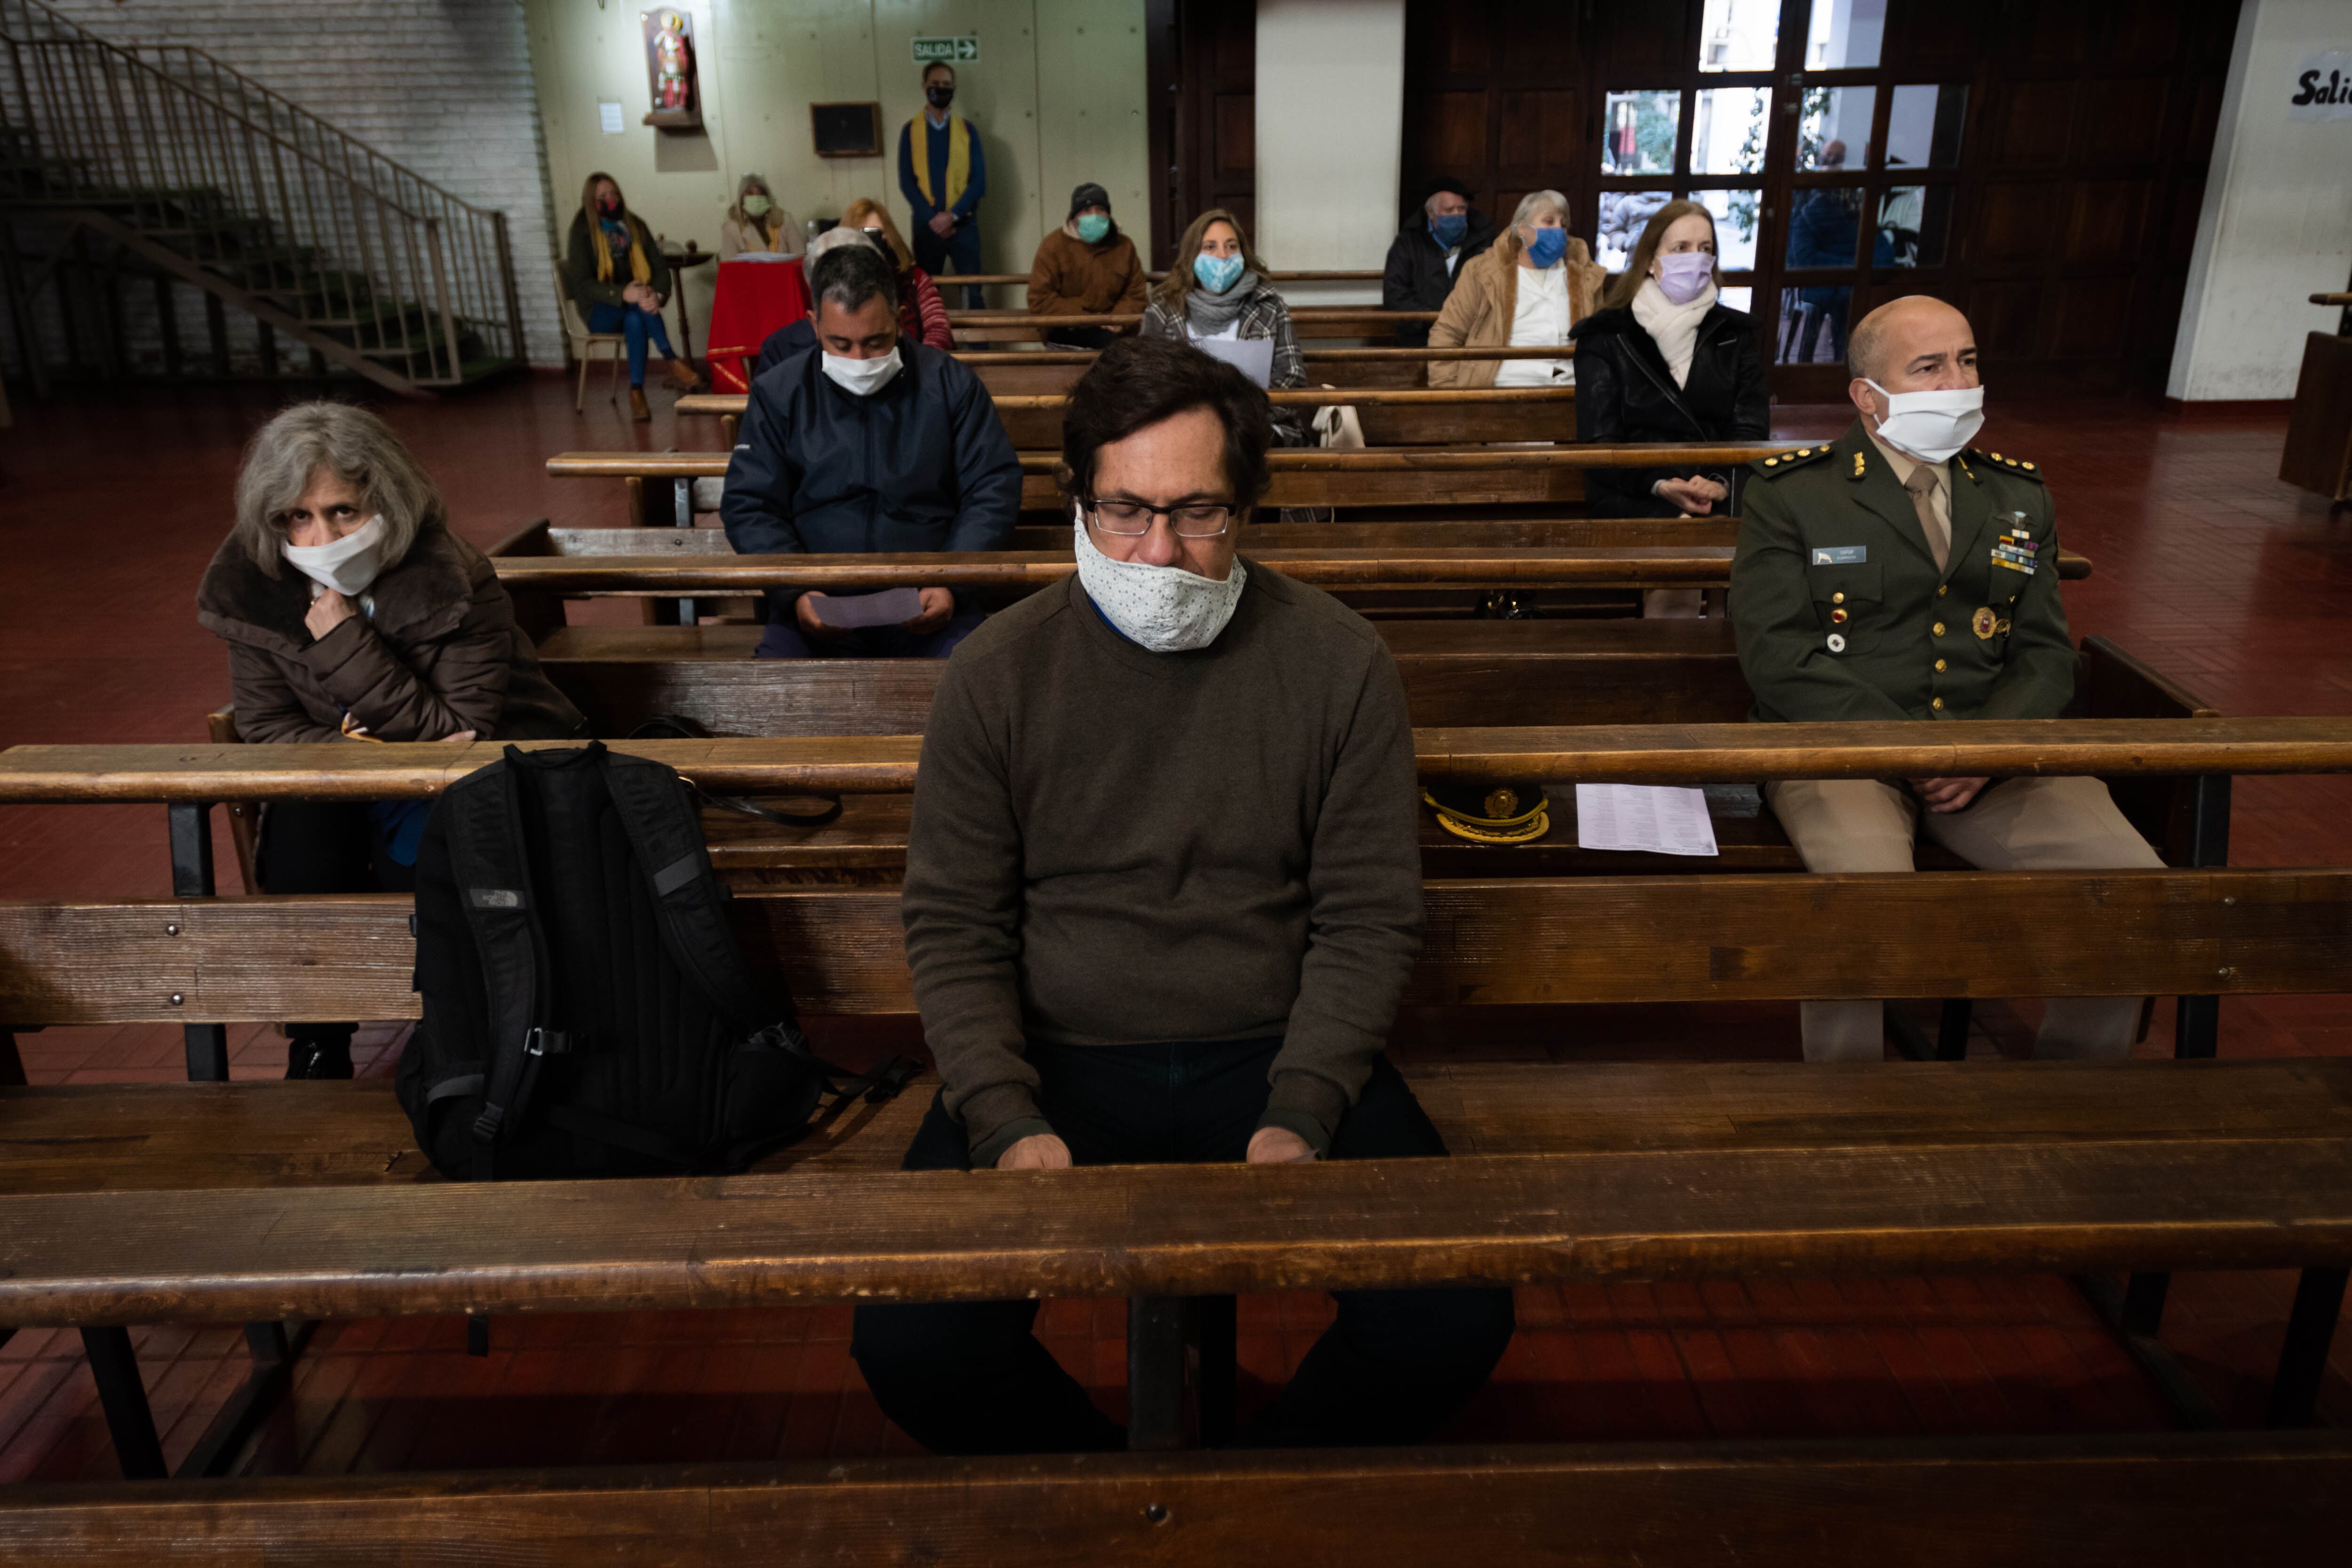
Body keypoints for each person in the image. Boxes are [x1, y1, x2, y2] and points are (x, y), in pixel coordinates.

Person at [849, 336, 1515, 1453]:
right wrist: (1005, 1116)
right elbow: (956, 922)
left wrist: (1305, 1106)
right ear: (1075, 500)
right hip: (1058, 1050)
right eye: (1124, 511)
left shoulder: (1336, 661)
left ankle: (1250, 1492)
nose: (1158, 551)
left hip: (1269, 1043)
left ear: (1247, 508)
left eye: (1196, 512)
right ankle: (1110, 1495)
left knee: (1454, 1315)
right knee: (914, 1347)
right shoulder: (999, 671)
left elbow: (1366, 913)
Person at [1730, 295, 2164, 1062]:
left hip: (1991, 756)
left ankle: (2077, 1098)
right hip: (1846, 753)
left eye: (1966, 361)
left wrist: (1983, 746)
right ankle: (1847, 1107)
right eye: (1927, 367)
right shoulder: (1794, 493)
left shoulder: (2017, 497)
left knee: (2131, 888)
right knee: (1864, 896)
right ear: (1868, 395)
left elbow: (2043, 651)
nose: (1955, 383)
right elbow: (1778, 653)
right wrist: (1910, 747)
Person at [195, 402, 586, 1078]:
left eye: (343, 511)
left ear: (387, 501)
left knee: (433, 855)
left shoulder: (452, 577)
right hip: (352, 777)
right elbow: (266, 727)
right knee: (299, 853)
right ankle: (318, 1044)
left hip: (480, 772)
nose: (320, 537)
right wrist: (362, 759)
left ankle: (457, 1033)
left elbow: (456, 730)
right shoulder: (251, 588)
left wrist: (344, 641)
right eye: (298, 516)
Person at [719, 243, 1021, 661]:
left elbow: (993, 486)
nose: (859, 360)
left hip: (932, 596)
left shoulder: (950, 384)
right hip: (816, 600)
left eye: (876, 341)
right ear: (814, 325)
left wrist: (953, 580)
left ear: (899, 321)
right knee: (775, 692)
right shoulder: (779, 392)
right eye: (840, 344)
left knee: (974, 682)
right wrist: (796, 591)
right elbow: (749, 502)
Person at [1571, 199, 1768, 519]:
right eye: (1680, 248)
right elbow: (1599, 442)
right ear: (1651, 260)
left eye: (1705, 248)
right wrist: (1659, 484)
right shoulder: (1606, 335)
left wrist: (1720, 483)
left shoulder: (1735, 334)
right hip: (1635, 498)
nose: (1696, 258)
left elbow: (1751, 429)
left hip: (1717, 497)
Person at [1139, 207, 1307, 445]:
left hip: (1259, 426)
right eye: (1210, 247)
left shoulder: (1269, 305)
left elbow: (1293, 377)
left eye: (1231, 246)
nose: (1223, 256)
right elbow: (1147, 380)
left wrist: (1245, 417)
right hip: (1183, 430)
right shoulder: (1163, 311)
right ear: (1192, 255)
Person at [1426, 189, 1604, 390]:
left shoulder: (1585, 276)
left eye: (1563, 225)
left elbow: (1601, 340)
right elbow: (1448, 332)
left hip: (1572, 386)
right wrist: (1447, 393)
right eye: (1549, 222)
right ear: (1522, 229)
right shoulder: (1484, 271)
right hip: (1506, 384)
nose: (1558, 230)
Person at [564, 171, 702, 422]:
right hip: (599, 309)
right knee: (637, 307)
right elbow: (581, 283)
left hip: (634, 305)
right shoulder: (582, 230)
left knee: (635, 319)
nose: (611, 200)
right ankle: (671, 358)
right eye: (603, 196)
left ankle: (637, 392)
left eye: (615, 194)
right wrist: (621, 293)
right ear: (590, 200)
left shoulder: (634, 225)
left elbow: (659, 268)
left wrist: (656, 296)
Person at [898, 62, 985, 309]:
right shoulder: (910, 131)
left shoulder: (968, 131)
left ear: (954, 89)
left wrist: (952, 216)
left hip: (964, 227)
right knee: (926, 297)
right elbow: (907, 182)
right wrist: (934, 220)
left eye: (946, 85)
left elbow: (979, 182)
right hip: (926, 228)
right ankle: (929, 347)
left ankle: (979, 349)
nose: (941, 89)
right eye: (935, 84)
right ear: (924, 87)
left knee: (973, 294)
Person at [1025, 181, 1147, 350]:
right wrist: (1089, 319)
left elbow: (1135, 294)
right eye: (1087, 211)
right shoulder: (1053, 246)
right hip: (1066, 331)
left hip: (1116, 333)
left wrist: (1118, 320)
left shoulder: (1124, 247)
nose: (1094, 216)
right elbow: (1041, 300)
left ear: (1109, 214)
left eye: (1101, 210)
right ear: (1074, 216)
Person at [749, 226, 881, 379]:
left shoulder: (898, 344)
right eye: (834, 281)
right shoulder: (780, 348)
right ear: (812, 285)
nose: (846, 292)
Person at [1381, 176, 1495, 348]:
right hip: (1420, 338)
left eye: (1462, 209)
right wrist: (1435, 319)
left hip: (1472, 337)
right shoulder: (1409, 242)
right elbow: (1395, 294)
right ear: (1430, 213)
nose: (1457, 215)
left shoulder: (1485, 239)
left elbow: (1496, 286)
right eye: (1449, 211)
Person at [842, 198, 955, 351]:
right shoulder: (837, 284)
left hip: (915, 368)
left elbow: (938, 329)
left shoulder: (916, 279)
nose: (870, 241)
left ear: (888, 236)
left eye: (876, 233)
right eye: (862, 233)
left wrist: (920, 365)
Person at [718, 172, 802, 259]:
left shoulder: (784, 219)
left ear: (767, 196)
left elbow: (800, 255)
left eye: (761, 193)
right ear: (742, 198)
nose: (756, 197)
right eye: (750, 193)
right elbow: (729, 264)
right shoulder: (731, 227)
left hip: (784, 271)